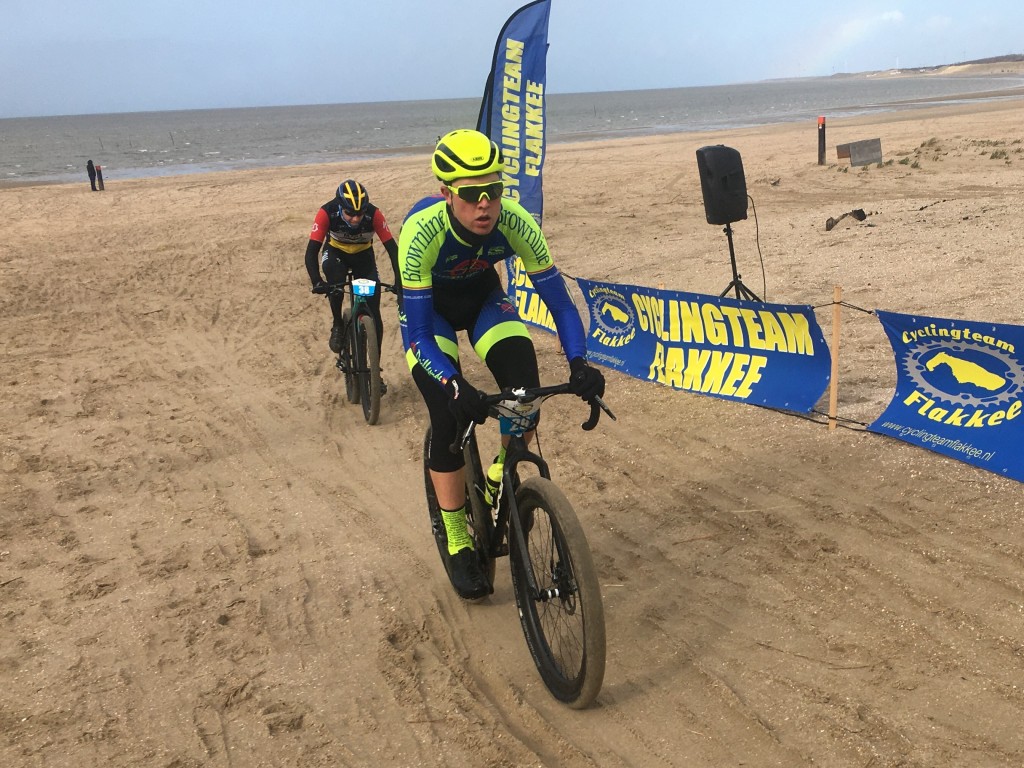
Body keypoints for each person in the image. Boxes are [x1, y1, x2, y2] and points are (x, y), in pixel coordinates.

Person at [398, 129, 605, 599]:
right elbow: (416, 333)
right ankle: (456, 536)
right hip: (430, 317)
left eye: (493, 191)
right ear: (447, 194)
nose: (485, 205)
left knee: (524, 389)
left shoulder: (515, 222)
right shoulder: (421, 231)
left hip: (483, 300)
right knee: (447, 414)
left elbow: (563, 306)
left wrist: (579, 364)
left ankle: (498, 473)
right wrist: (453, 384)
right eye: (471, 196)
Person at [304, 179, 400, 375]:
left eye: (360, 213)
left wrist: (399, 281)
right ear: (340, 207)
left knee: (374, 312)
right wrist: (317, 281)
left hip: (363, 257)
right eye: (350, 213)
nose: (356, 219)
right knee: (336, 285)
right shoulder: (326, 212)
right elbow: (311, 252)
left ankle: (374, 370)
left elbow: (392, 249)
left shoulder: (374, 214)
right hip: (336, 253)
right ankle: (338, 323)